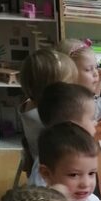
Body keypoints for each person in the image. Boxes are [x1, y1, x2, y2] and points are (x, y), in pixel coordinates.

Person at [18, 48, 78, 185]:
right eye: (70, 85)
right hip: (51, 179)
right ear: (51, 91)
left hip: (42, 168)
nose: (73, 90)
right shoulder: (51, 117)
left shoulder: (31, 103)